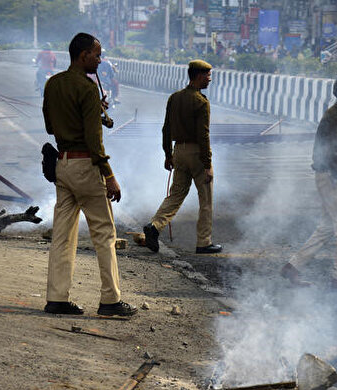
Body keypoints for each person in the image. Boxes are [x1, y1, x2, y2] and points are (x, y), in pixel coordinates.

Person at [42, 32, 136, 317]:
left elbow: (49, 126)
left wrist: (96, 112)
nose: (99, 59)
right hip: (86, 165)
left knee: (62, 235)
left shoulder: (53, 83)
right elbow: (95, 142)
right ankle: (110, 300)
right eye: (96, 54)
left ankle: (56, 298)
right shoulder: (86, 88)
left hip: (62, 164)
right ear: (83, 55)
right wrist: (109, 176)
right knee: (104, 234)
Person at [281, 69, 337, 290]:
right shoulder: (333, 118)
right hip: (331, 178)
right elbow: (331, 157)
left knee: (328, 227)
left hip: (330, 177)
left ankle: (293, 267)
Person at [142, 60, 222, 255]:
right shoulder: (201, 102)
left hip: (178, 152)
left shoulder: (174, 98)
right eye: (208, 76)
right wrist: (208, 163)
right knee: (206, 199)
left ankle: (154, 226)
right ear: (198, 76)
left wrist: (168, 154)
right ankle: (204, 242)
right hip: (196, 154)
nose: (210, 79)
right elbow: (203, 135)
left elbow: (166, 129)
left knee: (176, 195)